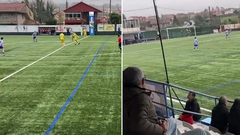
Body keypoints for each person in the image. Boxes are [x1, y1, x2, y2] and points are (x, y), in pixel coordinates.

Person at [123, 67, 207, 135]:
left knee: (171, 121)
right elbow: (139, 126)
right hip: (157, 131)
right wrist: (161, 129)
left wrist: (159, 122)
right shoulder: (140, 98)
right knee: (201, 132)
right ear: (142, 81)